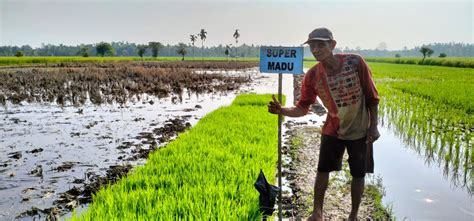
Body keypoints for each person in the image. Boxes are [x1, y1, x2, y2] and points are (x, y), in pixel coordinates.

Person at [268, 27, 380, 221]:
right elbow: (303, 108)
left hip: (359, 129)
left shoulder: (355, 62)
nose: (316, 50)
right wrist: (282, 110)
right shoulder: (312, 76)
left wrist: (374, 125)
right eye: (312, 46)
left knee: (358, 174)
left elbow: (372, 97)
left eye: (321, 45)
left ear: (333, 45)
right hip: (333, 129)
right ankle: (317, 212)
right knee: (322, 170)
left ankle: (353, 215)